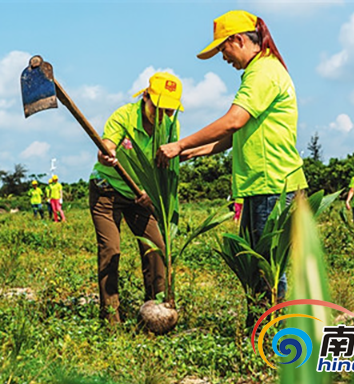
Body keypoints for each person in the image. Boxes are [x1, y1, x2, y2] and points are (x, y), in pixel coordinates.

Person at [156, 10, 308, 303]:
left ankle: (270, 332)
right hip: (261, 184)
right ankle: (263, 328)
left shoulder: (263, 72)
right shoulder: (261, 71)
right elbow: (232, 136)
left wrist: (179, 143)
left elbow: (233, 121)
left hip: (272, 183)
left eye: (223, 49)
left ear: (238, 40)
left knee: (268, 268)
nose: (224, 58)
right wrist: (190, 151)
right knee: (257, 265)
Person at [89, 71, 182, 323]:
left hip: (140, 195)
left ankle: (158, 311)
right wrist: (106, 153)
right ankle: (111, 319)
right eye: (159, 108)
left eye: (170, 110)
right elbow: (107, 144)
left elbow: (167, 164)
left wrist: (152, 195)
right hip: (106, 190)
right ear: (145, 97)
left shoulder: (170, 125)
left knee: (157, 248)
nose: (164, 115)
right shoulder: (124, 116)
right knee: (111, 249)